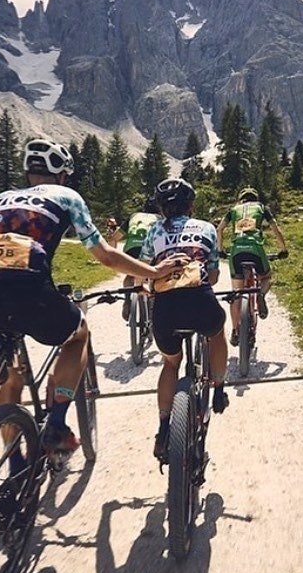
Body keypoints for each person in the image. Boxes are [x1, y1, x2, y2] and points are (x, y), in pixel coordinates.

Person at [0, 138, 186, 474]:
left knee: (11, 377)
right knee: (77, 334)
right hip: (30, 290)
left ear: (28, 172)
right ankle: (55, 423)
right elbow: (106, 256)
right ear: (62, 175)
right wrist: (154, 272)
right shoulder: (67, 197)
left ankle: (14, 466)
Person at [139, 178, 230, 463]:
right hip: (199, 301)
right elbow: (213, 276)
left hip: (165, 309)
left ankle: (165, 427)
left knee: (170, 363)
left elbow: (143, 274)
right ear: (191, 205)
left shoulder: (153, 230)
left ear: (162, 209)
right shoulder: (205, 228)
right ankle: (219, 390)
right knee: (216, 332)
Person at [216, 186, 288, 347]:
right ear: (255, 198)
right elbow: (275, 229)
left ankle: (235, 331)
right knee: (267, 277)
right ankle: (261, 294)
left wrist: (220, 250)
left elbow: (219, 229)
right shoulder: (261, 207)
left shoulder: (233, 209)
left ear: (241, 199)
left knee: (236, 293)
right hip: (256, 248)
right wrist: (283, 249)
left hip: (236, 252)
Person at [107, 195, 162, 321]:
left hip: (131, 249)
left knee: (130, 277)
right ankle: (154, 306)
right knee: (153, 277)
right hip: (150, 249)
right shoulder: (160, 218)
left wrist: (113, 256)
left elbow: (114, 238)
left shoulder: (134, 216)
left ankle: (127, 301)